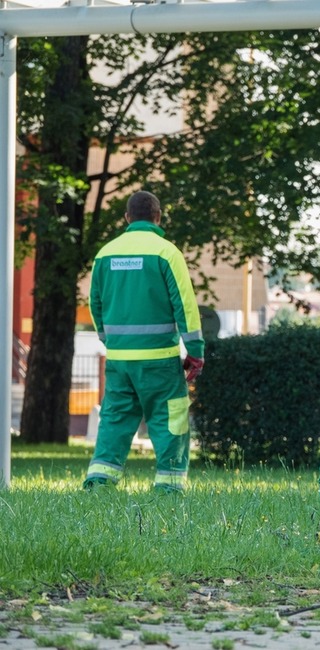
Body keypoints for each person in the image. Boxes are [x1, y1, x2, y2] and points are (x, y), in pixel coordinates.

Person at [83, 190, 204, 492]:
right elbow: (185, 306)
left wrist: (108, 340)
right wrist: (196, 351)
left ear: (127, 218)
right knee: (169, 419)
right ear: (158, 217)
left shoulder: (105, 254)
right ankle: (169, 484)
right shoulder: (167, 253)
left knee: (114, 419)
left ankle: (99, 480)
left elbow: (94, 304)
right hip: (159, 358)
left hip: (120, 358)